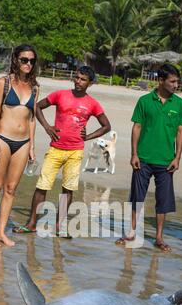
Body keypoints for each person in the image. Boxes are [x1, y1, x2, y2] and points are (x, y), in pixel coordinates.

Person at [13, 66, 111, 236]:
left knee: (68, 189)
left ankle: (59, 227)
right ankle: (32, 223)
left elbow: (106, 126)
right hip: (55, 149)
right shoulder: (60, 95)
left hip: (75, 152)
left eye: (83, 79)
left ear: (90, 83)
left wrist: (87, 137)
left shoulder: (92, 103)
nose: (78, 81)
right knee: (42, 186)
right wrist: (47, 127)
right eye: (77, 77)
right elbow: (37, 106)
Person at [116, 64, 182, 250]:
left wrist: (177, 158)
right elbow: (137, 127)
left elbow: (181, 132)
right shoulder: (144, 101)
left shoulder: (179, 104)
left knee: (163, 201)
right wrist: (134, 154)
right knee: (137, 197)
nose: (176, 85)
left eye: (177, 81)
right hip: (143, 158)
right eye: (172, 81)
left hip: (166, 161)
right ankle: (131, 233)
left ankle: (159, 238)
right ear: (161, 81)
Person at [0, 43, 39, 247]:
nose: (28, 64)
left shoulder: (35, 87)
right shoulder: (3, 83)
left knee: (11, 189)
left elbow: (32, 118)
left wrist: (32, 147)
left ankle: (2, 232)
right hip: (3, 139)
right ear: (16, 59)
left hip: (23, 143)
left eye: (32, 61)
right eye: (24, 60)